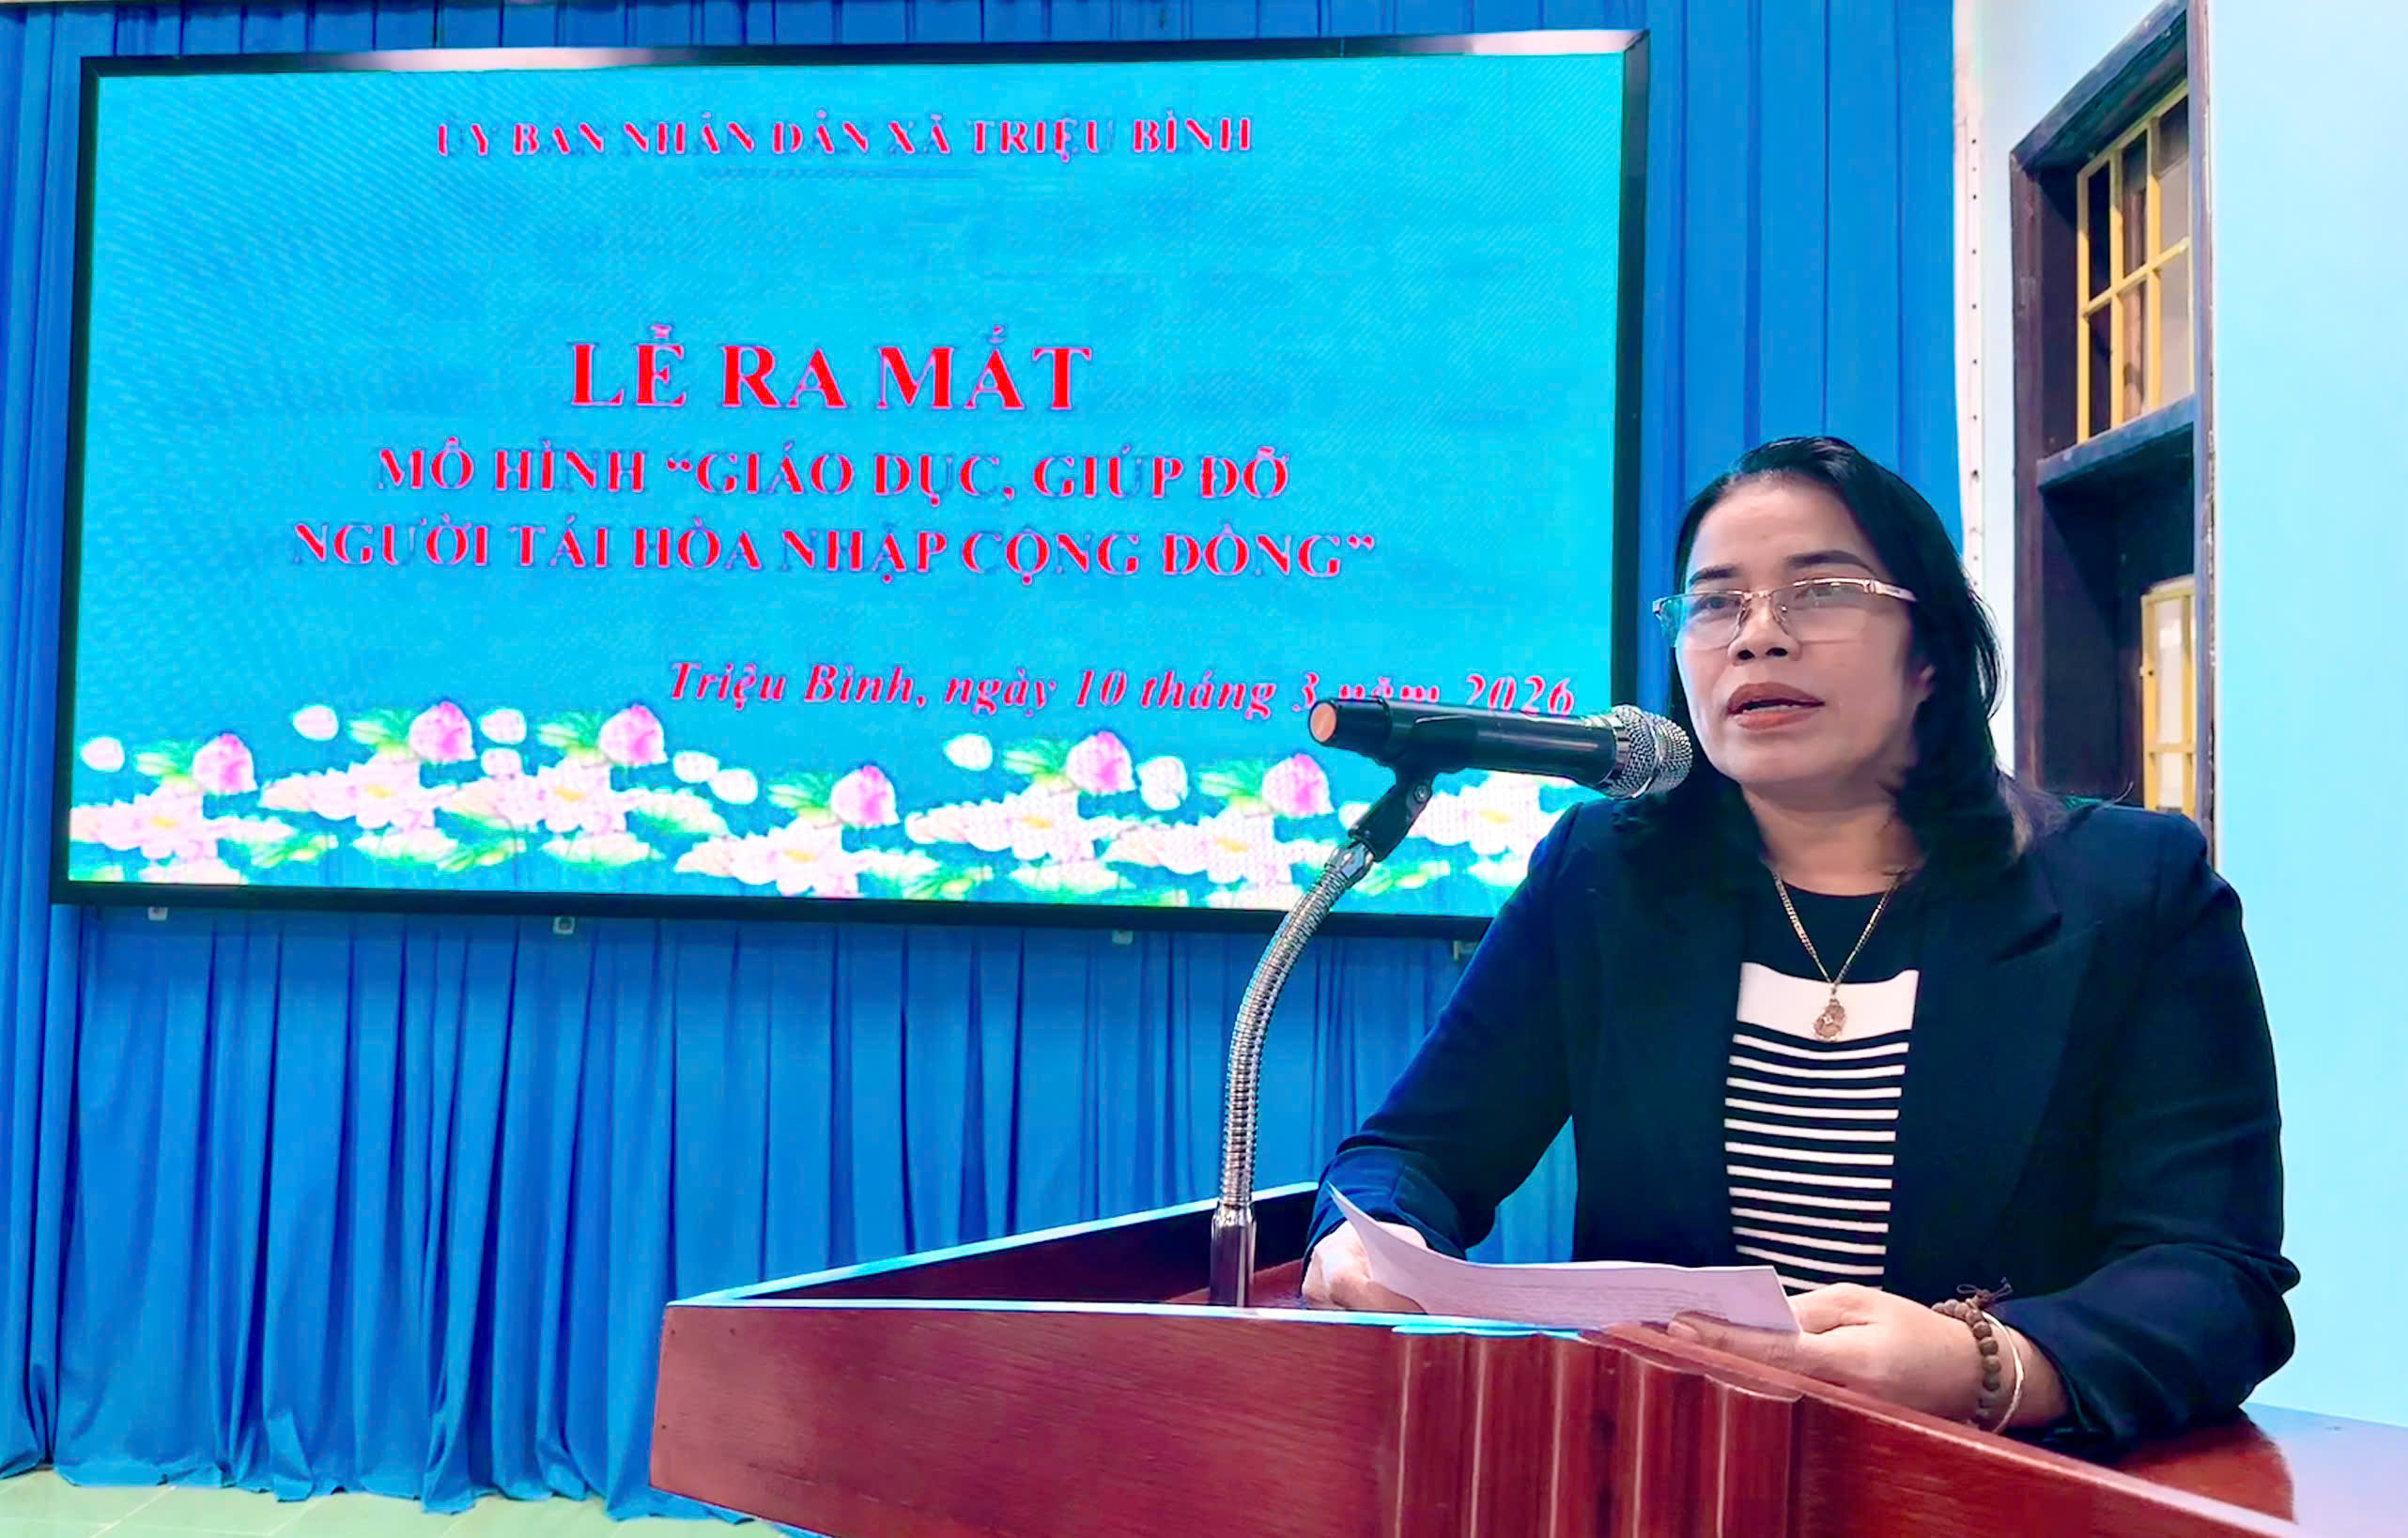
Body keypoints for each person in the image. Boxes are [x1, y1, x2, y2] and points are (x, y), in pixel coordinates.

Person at [1301, 437, 2295, 1450]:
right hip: (1669, 1472)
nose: (1757, 638)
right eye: (1715, 603)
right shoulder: (1602, 877)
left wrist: (1986, 1366)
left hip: (1983, 1487)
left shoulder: (2132, 891)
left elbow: (2216, 1280)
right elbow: (1410, 1154)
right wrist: (1369, 1238)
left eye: (1819, 592)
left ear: (1928, 655)